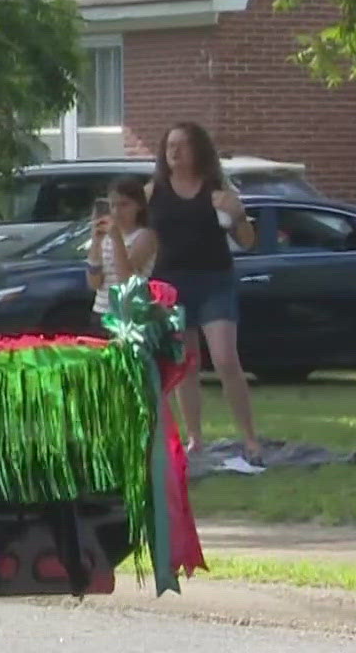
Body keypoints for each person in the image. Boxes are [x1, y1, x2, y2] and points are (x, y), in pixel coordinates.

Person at [148, 121, 263, 472]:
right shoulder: (153, 191)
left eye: (182, 145)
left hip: (214, 280)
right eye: (169, 146)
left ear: (198, 150)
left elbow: (247, 241)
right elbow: (137, 237)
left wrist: (239, 215)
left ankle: (250, 438)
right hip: (170, 284)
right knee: (186, 364)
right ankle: (195, 437)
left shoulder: (217, 190)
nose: (174, 152)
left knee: (226, 358)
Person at [87, 175, 156, 318]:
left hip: (129, 315)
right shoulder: (106, 237)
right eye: (113, 205)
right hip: (102, 311)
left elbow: (127, 280)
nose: (117, 212)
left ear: (139, 206)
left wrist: (117, 239)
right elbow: (94, 283)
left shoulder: (145, 236)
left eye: (124, 205)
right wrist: (96, 242)